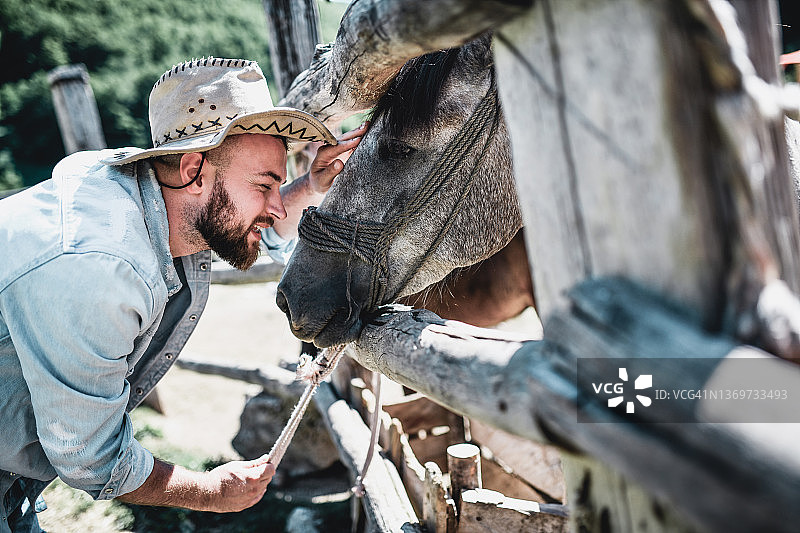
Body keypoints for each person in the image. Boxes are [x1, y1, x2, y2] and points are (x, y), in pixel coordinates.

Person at [0, 57, 365, 531]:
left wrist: (312, 186)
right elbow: (90, 457)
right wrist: (210, 491)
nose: (276, 209)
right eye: (264, 185)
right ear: (194, 170)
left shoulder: (155, 205)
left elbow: (251, 222)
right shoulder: (101, 267)